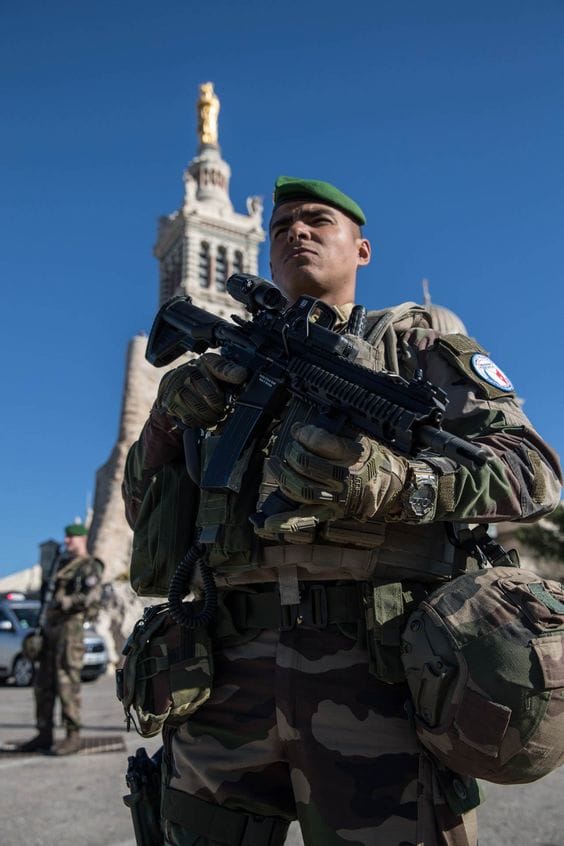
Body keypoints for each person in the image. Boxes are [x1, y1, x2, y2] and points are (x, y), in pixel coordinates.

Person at [122, 176, 562, 846]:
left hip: (375, 674)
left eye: (318, 220)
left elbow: (534, 475)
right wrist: (165, 425)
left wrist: (400, 483)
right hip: (220, 677)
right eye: (281, 226)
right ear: (266, 260)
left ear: (361, 249)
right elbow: (144, 517)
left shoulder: (415, 345)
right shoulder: (222, 368)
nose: (296, 231)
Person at [18, 523, 104, 756]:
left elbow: (91, 597)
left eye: (71, 538)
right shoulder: (60, 564)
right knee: (43, 684)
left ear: (82, 538)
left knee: (67, 682)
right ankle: (43, 733)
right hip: (50, 627)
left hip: (70, 628)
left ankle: (72, 736)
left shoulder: (89, 566)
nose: (67, 542)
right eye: (66, 538)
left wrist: (67, 601)